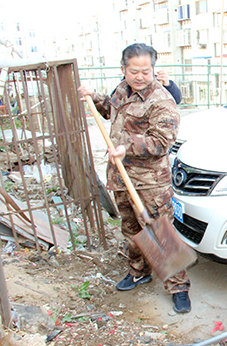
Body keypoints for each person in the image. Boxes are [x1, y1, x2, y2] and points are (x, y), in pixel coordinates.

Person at [78, 43, 193, 314]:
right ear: (123, 69)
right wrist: (92, 97)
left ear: (153, 69)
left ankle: (178, 287)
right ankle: (139, 271)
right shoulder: (122, 90)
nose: (139, 77)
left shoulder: (162, 100)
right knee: (131, 230)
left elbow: (161, 141)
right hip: (121, 177)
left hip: (150, 183)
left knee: (160, 234)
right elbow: (109, 110)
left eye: (145, 71)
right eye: (133, 71)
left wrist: (126, 146)